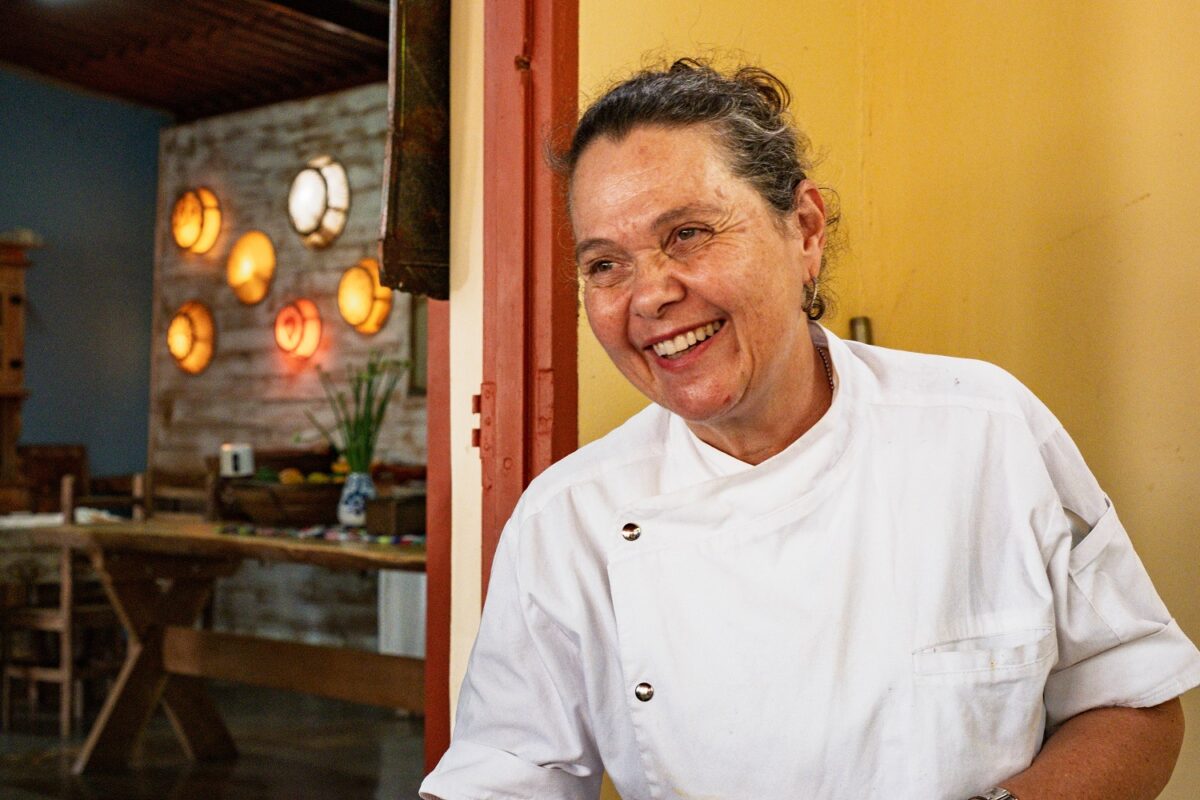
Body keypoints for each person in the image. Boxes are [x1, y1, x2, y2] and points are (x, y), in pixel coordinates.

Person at [420, 59, 1200, 800]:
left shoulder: (987, 431)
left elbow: (1134, 705)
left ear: (805, 230)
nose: (650, 294)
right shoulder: (568, 522)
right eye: (604, 264)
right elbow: (502, 774)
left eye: (688, 233)